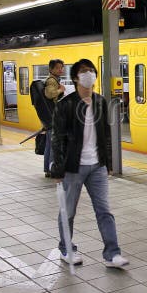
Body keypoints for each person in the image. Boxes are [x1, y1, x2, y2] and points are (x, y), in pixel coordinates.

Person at [50, 59, 128, 268]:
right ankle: (67, 249)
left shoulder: (101, 102)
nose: (89, 74)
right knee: (69, 211)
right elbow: (57, 138)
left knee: (104, 211)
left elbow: (106, 135)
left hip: (97, 166)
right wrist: (57, 168)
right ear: (76, 78)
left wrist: (108, 163)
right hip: (73, 167)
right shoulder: (65, 105)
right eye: (84, 72)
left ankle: (112, 254)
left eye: (92, 71)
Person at [43, 59, 66, 178]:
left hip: (50, 117)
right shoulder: (52, 80)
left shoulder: (54, 80)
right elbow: (50, 94)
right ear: (51, 69)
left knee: (49, 144)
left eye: (61, 67)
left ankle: (47, 169)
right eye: (57, 68)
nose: (60, 70)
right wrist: (61, 90)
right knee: (53, 145)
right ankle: (52, 169)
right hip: (53, 117)